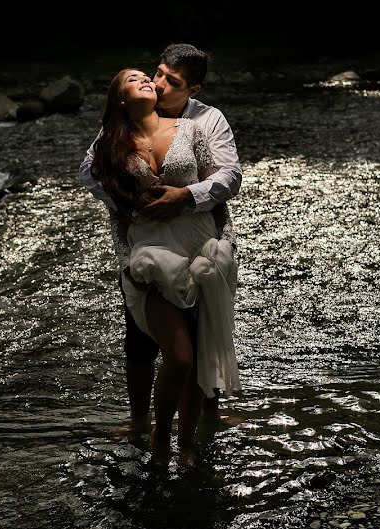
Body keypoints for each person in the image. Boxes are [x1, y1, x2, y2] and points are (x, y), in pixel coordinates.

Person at [78, 44, 243, 442]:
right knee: (140, 335)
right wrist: (133, 201)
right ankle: (140, 422)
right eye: (159, 72)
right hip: (144, 243)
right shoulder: (126, 117)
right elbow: (89, 171)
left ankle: (208, 413)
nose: (159, 83)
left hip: (201, 237)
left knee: (205, 325)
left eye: (174, 81)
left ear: (194, 89)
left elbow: (229, 176)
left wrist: (185, 197)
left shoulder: (207, 119)